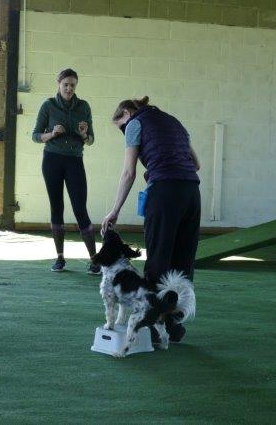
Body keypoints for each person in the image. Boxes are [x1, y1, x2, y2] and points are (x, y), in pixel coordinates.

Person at [102, 96, 201, 342]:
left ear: (127, 113)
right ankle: (174, 327)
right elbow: (196, 164)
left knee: (158, 261)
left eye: (121, 126)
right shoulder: (174, 122)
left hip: (164, 192)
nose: (124, 131)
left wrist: (114, 210)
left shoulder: (135, 123)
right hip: (191, 193)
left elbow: (129, 172)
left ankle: (154, 330)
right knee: (183, 262)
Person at [32, 68, 100, 274]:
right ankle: (60, 258)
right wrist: (52, 134)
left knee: (80, 208)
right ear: (59, 84)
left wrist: (84, 134)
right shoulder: (48, 105)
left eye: (72, 85)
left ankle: (94, 260)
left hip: (74, 161)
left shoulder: (83, 106)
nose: (69, 88)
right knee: (57, 207)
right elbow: (35, 136)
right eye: (66, 85)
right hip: (52, 160)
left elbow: (91, 140)